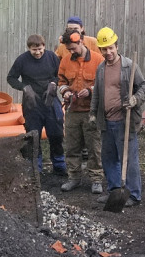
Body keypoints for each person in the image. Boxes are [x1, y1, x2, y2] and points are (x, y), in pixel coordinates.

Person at [89, 27, 145, 208]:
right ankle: (114, 191)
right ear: (100, 49)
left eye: (111, 48)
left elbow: (144, 87)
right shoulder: (100, 68)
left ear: (117, 45)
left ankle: (134, 195)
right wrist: (92, 113)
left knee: (129, 160)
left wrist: (135, 99)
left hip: (125, 121)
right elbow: (97, 94)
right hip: (106, 122)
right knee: (108, 159)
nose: (108, 52)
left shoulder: (129, 66)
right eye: (104, 49)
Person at [6, 34, 66, 176]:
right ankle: (35, 168)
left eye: (40, 49)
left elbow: (61, 75)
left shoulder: (52, 57)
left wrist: (53, 83)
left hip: (50, 101)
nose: (38, 52)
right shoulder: (22, 60)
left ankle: (59, 166)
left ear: (44, 46)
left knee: (56, 134)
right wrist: (24, 88)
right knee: (33, 136)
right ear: (29, 49)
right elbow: (11, 78)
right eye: (34, 50)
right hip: (32, 104)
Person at [57, 28, 104, 194]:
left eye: (73, 48)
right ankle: (74, 178)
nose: (71, 51)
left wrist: (91, 90)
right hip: (72, 110)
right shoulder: (65, 61)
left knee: (94, 147)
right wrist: (65, 91)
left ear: (81, 42)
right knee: (71, 147)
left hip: (91, 112)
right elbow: (61, 80)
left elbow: (104, 82)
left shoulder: (99, 60)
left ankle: (96, 179)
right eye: (68, 49)